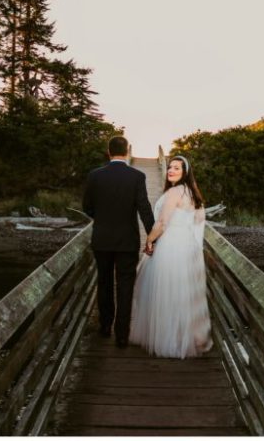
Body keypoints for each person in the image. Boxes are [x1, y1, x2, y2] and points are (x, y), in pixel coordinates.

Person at [129, 154, 212, 359]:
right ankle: (182, 337)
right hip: (187, 247)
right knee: (180, 293)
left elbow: (162, 223)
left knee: (166, 290)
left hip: (171, 246)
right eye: (170, 167)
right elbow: (199, 221)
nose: (171, 170)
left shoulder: (175, 192)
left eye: (177, 168)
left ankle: (170, 340)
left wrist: (149, 240)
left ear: (185, 173)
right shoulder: (193, 194)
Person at [82, 135, 155, 347]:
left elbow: (87, 206)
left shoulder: (95, 175)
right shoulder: (137, 176)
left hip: (102, 239)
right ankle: (122, 334)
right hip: (127, 241)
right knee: (125, 285)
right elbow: (144, 208)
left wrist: (103, 218)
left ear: (108, 151)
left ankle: (105, 326)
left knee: (104, 282)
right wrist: (152, 236)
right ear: (127, 153)